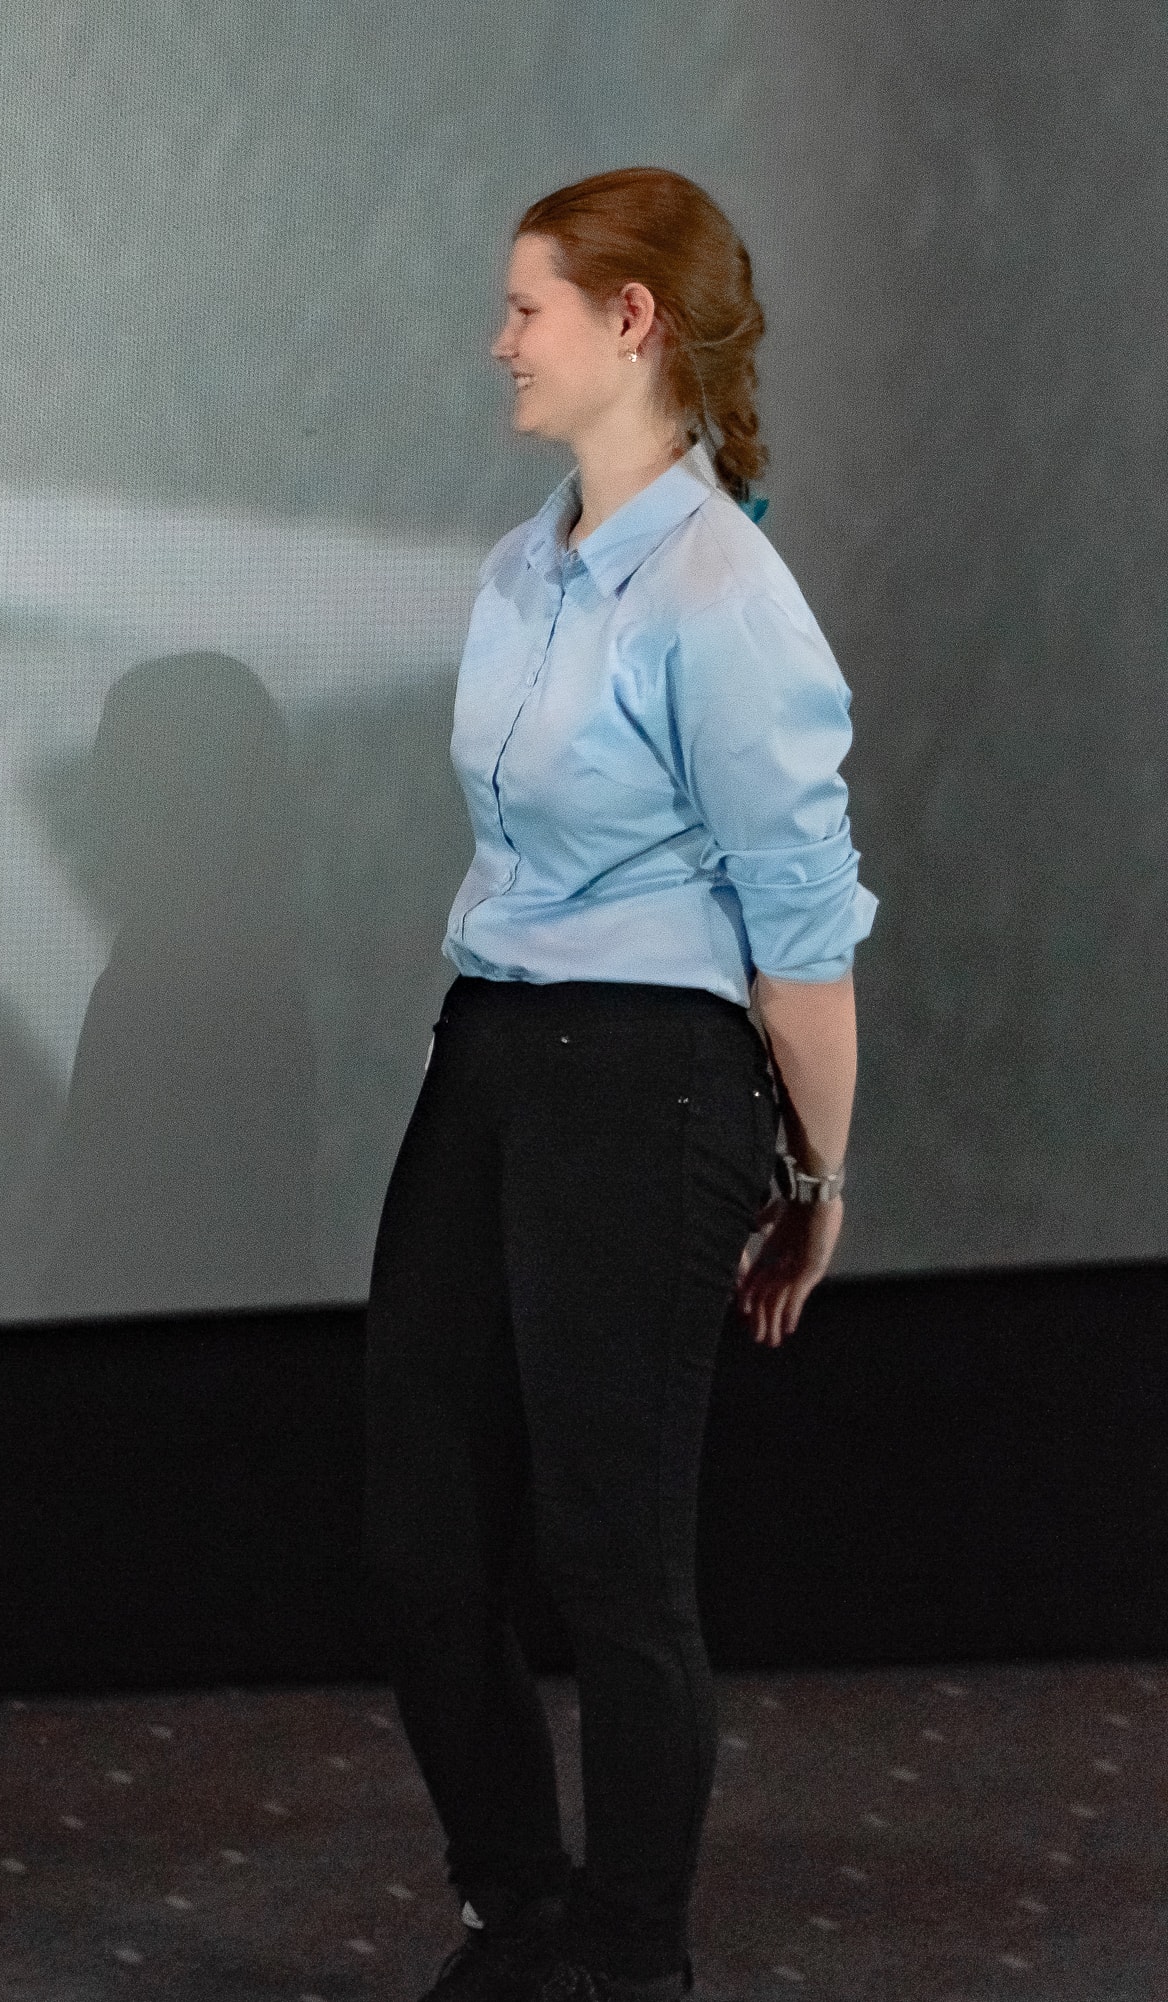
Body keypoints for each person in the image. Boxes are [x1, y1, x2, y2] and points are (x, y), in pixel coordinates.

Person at [365, 167, 874, 2002]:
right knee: (422, 1526)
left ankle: (632, 1958)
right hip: (496, 1050)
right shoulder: (529, 564)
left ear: (631, 321)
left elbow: (801, 937)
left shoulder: (724, 594)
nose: (499, 341)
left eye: (528, 308)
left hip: (652, 1077)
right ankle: (523, 1909)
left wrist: (816, 1178)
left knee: (612, 1556)